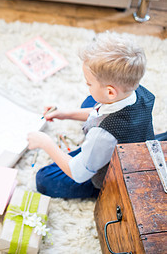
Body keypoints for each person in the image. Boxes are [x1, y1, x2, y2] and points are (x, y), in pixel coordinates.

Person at [27, 32, 155, 199]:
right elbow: (100, 112)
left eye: (89, 83)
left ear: (110, 92)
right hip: (129, 136)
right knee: (90, 101)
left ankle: (98, 190)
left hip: (113, 173)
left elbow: (78, 173)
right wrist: (66, 114)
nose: (86, 85)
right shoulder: (136, 91)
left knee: (44, 179)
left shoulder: (101, 135)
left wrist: (46, 143)